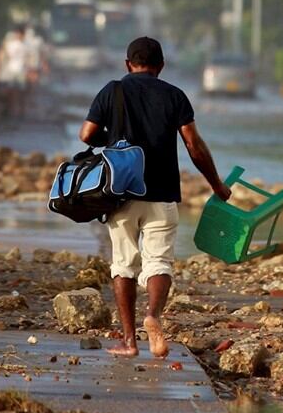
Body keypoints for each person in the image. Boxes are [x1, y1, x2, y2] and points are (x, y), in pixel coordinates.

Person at [78, 37, 231, 358]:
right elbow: (194, 145)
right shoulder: (174, 95)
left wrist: (115, 137)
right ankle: (153, 316)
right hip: (162, 193)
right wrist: (217, 185)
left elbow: (86, 135)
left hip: (121, 192)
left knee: (123, 265)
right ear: (161, 66)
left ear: (127, 64)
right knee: (159, 262)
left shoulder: (112, 90)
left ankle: (130, 341)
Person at [0, 26, 28, 119]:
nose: (18, 36)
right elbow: (0, 58)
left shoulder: (26, 45)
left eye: (19, 34)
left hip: (20, 72)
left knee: (19, 93)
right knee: (8, 92)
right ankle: (9, 111)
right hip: (8, 72)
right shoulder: (8, 44)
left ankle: (19, 113)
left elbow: (28, 59)